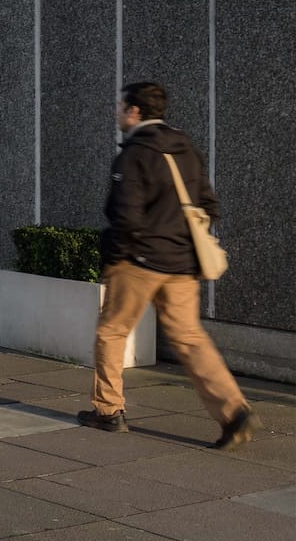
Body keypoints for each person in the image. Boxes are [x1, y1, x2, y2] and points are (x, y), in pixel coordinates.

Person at [78, 79, 259, 448]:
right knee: (190, 338)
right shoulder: (186, 149)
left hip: (138, 262)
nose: (117, 113)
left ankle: (109, 411)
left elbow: (125, 217)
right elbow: (210, 205)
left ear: (135, 111)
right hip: (182, 265)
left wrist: (113, 257)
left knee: (112, 331)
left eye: (121, 106)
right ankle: (234, 412)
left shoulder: (134, 155)